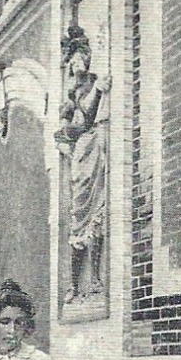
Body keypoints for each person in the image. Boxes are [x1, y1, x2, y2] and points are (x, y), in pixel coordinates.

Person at [55, 23, 112, 302]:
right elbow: (78, 123)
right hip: (81, 158)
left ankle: (96, 279)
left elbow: (88, 122)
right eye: (72, 59)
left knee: (98, 216)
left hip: (96, 152)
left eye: (79, 57)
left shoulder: (93, 82)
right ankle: (75, 285)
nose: (75, 63)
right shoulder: (75, 92)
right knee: (79, 218)